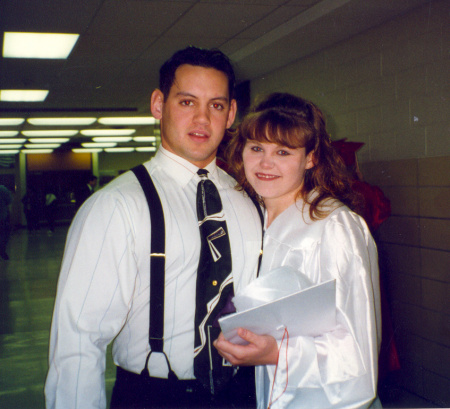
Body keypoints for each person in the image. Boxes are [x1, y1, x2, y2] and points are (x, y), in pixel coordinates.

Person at [45, 46, 263, 409]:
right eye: (187, 102)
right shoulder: (117, 205)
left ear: (231, 114)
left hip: (242, 392)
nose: (203, 119)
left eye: (217, 105)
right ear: (159, 105)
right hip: (155, 396)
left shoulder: (250, 198)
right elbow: (79, 340)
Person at [214, 93, 382, 408]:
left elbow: (358, 356)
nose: (265, 163)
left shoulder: (333, 227)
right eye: (256, 148)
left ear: (310, 158)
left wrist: (278, 353)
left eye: (283, 151)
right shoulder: (253, 218)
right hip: (271, 390)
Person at [0, 184, 13, 260]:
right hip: (2, 217)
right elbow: (9, 206)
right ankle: (2, 250)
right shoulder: (3, 189)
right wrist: (11, 218)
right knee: (3, 235)